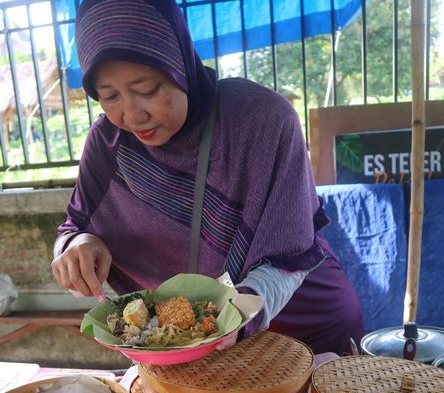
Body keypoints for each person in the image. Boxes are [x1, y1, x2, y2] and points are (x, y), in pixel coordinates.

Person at [51, 0, 364, 355]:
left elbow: (289, 256)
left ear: (179, 64)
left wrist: (234, 315)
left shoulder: (262, 121)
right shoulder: (109, 144)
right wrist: (78, 246)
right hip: (195, 336)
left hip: (303, 319)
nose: (132, 115)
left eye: (148, 90)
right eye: (109, 97)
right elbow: (73, 228)